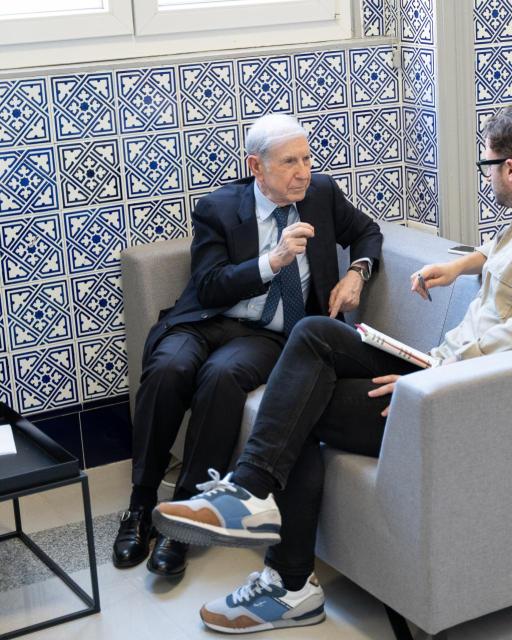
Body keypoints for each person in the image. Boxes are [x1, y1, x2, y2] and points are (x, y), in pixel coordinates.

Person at [151, 105, 512, 633]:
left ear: (511, 169)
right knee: (314, 334)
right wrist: (461, 264)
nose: (488, 176)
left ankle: (288, 582)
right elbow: (506, 257)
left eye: (487, 166)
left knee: (302, 406)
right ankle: (251, 495)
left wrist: (433, 375)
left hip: (459, 394)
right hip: (438, 373)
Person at [111, 114, 382, 577]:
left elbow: (367, 232)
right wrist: (271, 260)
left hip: (267, 334)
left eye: (307, 158)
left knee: (222, 377)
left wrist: (357, 272)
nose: (303, 171)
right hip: (206, 319)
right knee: (169, 369)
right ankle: (140, 505)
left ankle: (184, 516)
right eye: (289, 162)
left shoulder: (321, 195)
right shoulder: (219, 208)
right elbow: (211, 286)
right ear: (255, 166)